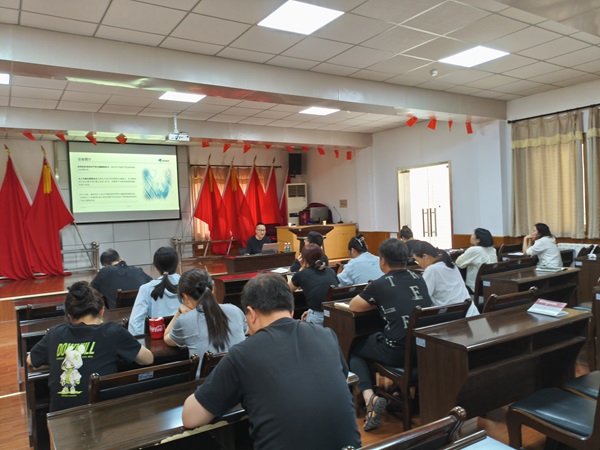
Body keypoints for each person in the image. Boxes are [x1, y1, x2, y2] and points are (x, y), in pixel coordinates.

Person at [181, 273, 361, 450]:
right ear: (291, 310)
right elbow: (340, 378)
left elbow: (190, 418)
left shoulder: (242, 354)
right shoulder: (326, 335)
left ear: (251, 314)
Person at [27, 282, 154, 412]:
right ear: (102, 310)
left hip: (59, 416)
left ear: (69, 315)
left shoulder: (55, 334)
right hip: (101, 414)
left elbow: (30, 360)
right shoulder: (112, 331)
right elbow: (148, 359)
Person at [348, 238, 432, 431]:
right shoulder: (419, 277)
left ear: (383, 261)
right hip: (422, 348)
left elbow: (354, 306)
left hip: (397, 353)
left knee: (354, 347)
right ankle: (393, 393)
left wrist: (377, 302)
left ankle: (370, 397)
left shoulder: (380, 284)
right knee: (381, 336)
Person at [164, 269, 247, 378]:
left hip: (207, 385)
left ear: (185, 297)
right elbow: (246, 331)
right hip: (241, 379)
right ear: (212, 290)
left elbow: (167, 338)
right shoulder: (234, 310)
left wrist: (179, 312)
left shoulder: (185, 320)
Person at [412, 241, 479, 317]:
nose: (419, 264)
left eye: (417, 261)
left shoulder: (431, 270)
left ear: (425, 256)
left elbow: (424, 297)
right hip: (470, 312)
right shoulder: (450, 265)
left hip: (453, 316)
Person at [128, 247, 181, 336]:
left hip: (159, 339)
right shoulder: (188, 284)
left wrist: (140, 342)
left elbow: (135, 322)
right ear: (177, 264)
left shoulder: (146, 288)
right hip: (187, 338)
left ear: (156, 267)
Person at [288, 243, 338, 325]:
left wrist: (302, 268)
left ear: (304, 259)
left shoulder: (302, 274)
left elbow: (287, 289)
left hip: (317, 319)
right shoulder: (330, 271)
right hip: (335, 314)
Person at [455, 228, 498, 294]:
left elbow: (458, 263)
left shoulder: (474, 250)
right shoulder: (493, 250)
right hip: (488, 286)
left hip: (474, 287)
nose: (471, 236)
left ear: (478, 240)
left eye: (473, 235)